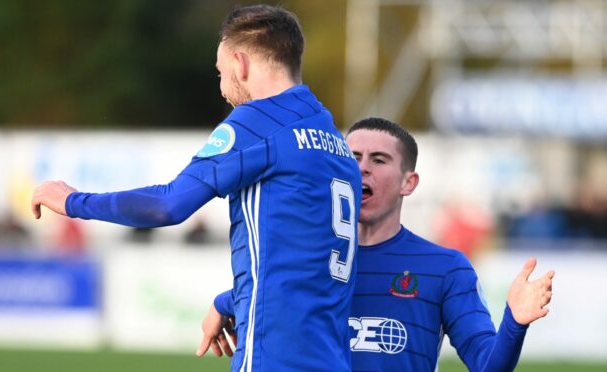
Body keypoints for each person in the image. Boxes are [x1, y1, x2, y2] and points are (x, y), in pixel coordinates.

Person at [31, 5, 361, 372]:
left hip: (274, 357)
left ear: (240, 63)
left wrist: (73, 200)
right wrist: (229, 302)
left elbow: (167, 205)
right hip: (331, 358)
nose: (222, 90)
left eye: (220, 73)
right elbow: (303, 264)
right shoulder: (332, 139)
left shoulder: (259, 122)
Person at [206, 117, 555, 371]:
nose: (362, 169)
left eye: (379, 160)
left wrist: (515, 321)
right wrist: (224, 303)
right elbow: (263, 294)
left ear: (409, 182)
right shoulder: (306, 259)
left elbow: (487, 365)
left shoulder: (446, 268)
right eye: (353, 157)